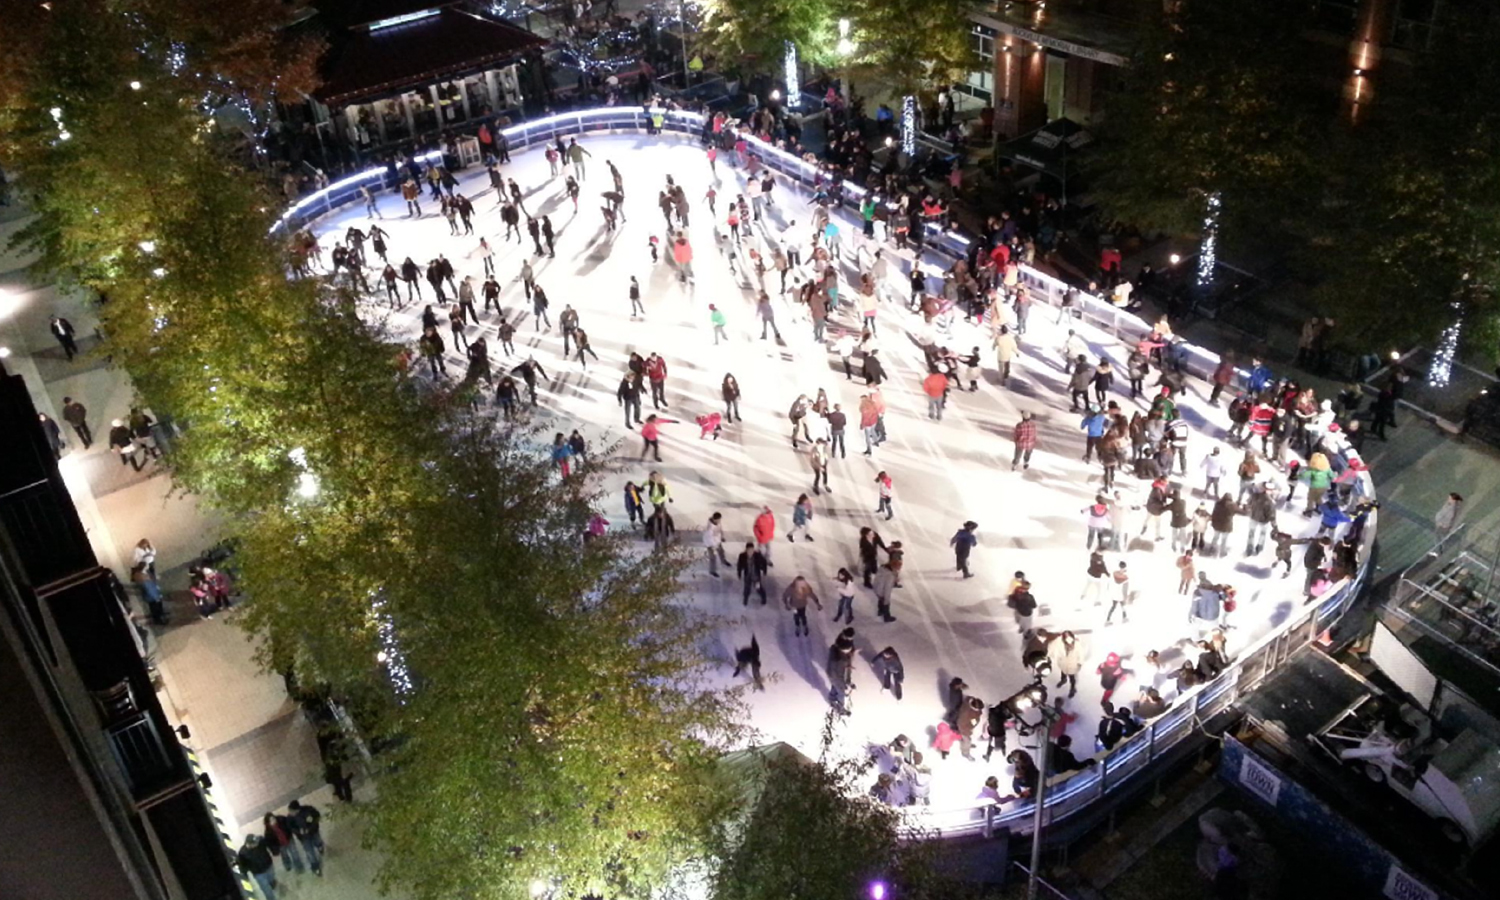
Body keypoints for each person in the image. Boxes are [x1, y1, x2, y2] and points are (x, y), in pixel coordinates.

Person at [237, 835, 280, 900]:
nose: (257, 844)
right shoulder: (243, 853)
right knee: (266, 890)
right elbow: (243, 865)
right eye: (255, 843)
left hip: (268, 866)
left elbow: (269, 843)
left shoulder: (260, 841)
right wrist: (245, 875)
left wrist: (275, 850)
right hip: (258, 873)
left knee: (271, 878)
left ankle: (272, 883)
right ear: (249, 844)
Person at [287, 800, 323, 876]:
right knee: (309, 852)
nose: (290, 813)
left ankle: (320, 846)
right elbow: (291, 827)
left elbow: (316, 817)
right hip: (303, 838)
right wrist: (298, 831)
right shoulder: (290, 817)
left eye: (291, 811)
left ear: (297, 810)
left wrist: (309, 829)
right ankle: (315, 867)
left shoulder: (308, 810)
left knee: (318, 841)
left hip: (313, 832)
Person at [827, 627, 856, 715]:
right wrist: (845, 684)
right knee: (841, 692)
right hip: (835, 676)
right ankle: (840, 709)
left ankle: (832, 698)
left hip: (835, 675)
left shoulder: (840, 653)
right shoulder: (839, 660)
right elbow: (838, 674)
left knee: (835, 686)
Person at [1049, 631, 1084, 698]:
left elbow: (1081, 654)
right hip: (1064, 663)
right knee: (1063, 672)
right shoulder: (1060, 643)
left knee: (1072, 678)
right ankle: (1063, 680)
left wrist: (1080, 662)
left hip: (1072, 664)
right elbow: (1053, 648)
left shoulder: (1077, 644)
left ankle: (1072, 689)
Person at [703, 512, 730, 577]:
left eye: (720, 519)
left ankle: (723, 561)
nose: (719, 521)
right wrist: (714, 547)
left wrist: (722, 537)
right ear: (715, 519)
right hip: (710, 544)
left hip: (717, 541)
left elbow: (720, 529)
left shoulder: (718, 523)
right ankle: (712, 571)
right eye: (718, 520)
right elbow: (710, 538)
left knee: (721, 551)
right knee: (713, 558)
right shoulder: (710, 528)